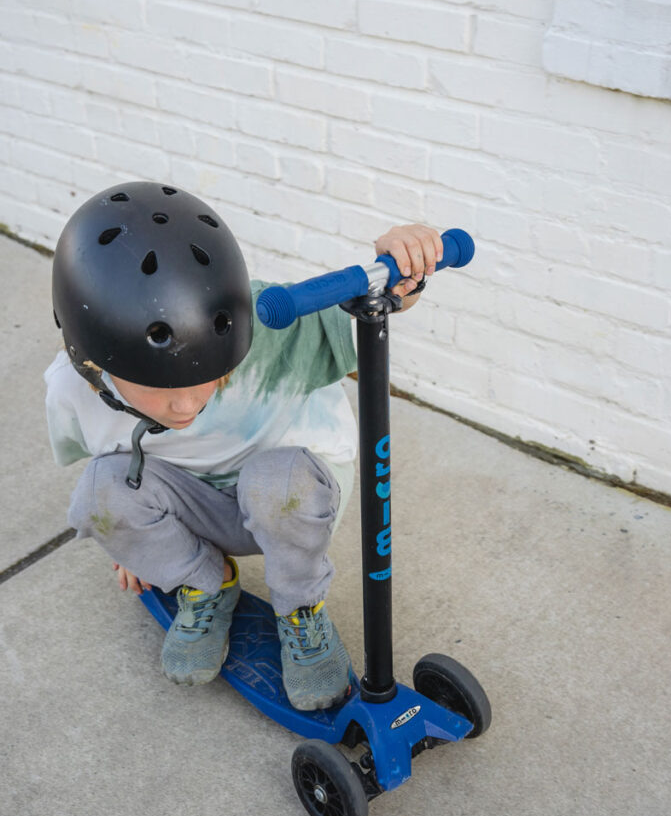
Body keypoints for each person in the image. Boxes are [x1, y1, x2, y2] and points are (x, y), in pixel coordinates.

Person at [45, 181, 444, 711]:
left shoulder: (271, 324)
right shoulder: (73, 386)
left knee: (275, 484)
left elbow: (365, 317)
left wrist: (403, 270)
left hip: (295, 492)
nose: (187, 406)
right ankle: (207, 585)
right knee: (97, 499)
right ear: (94, 359)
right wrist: (133, 541)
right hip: (199, 505)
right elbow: (108, 462)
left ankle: (301, 611)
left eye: (208, 377)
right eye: (162, 388)